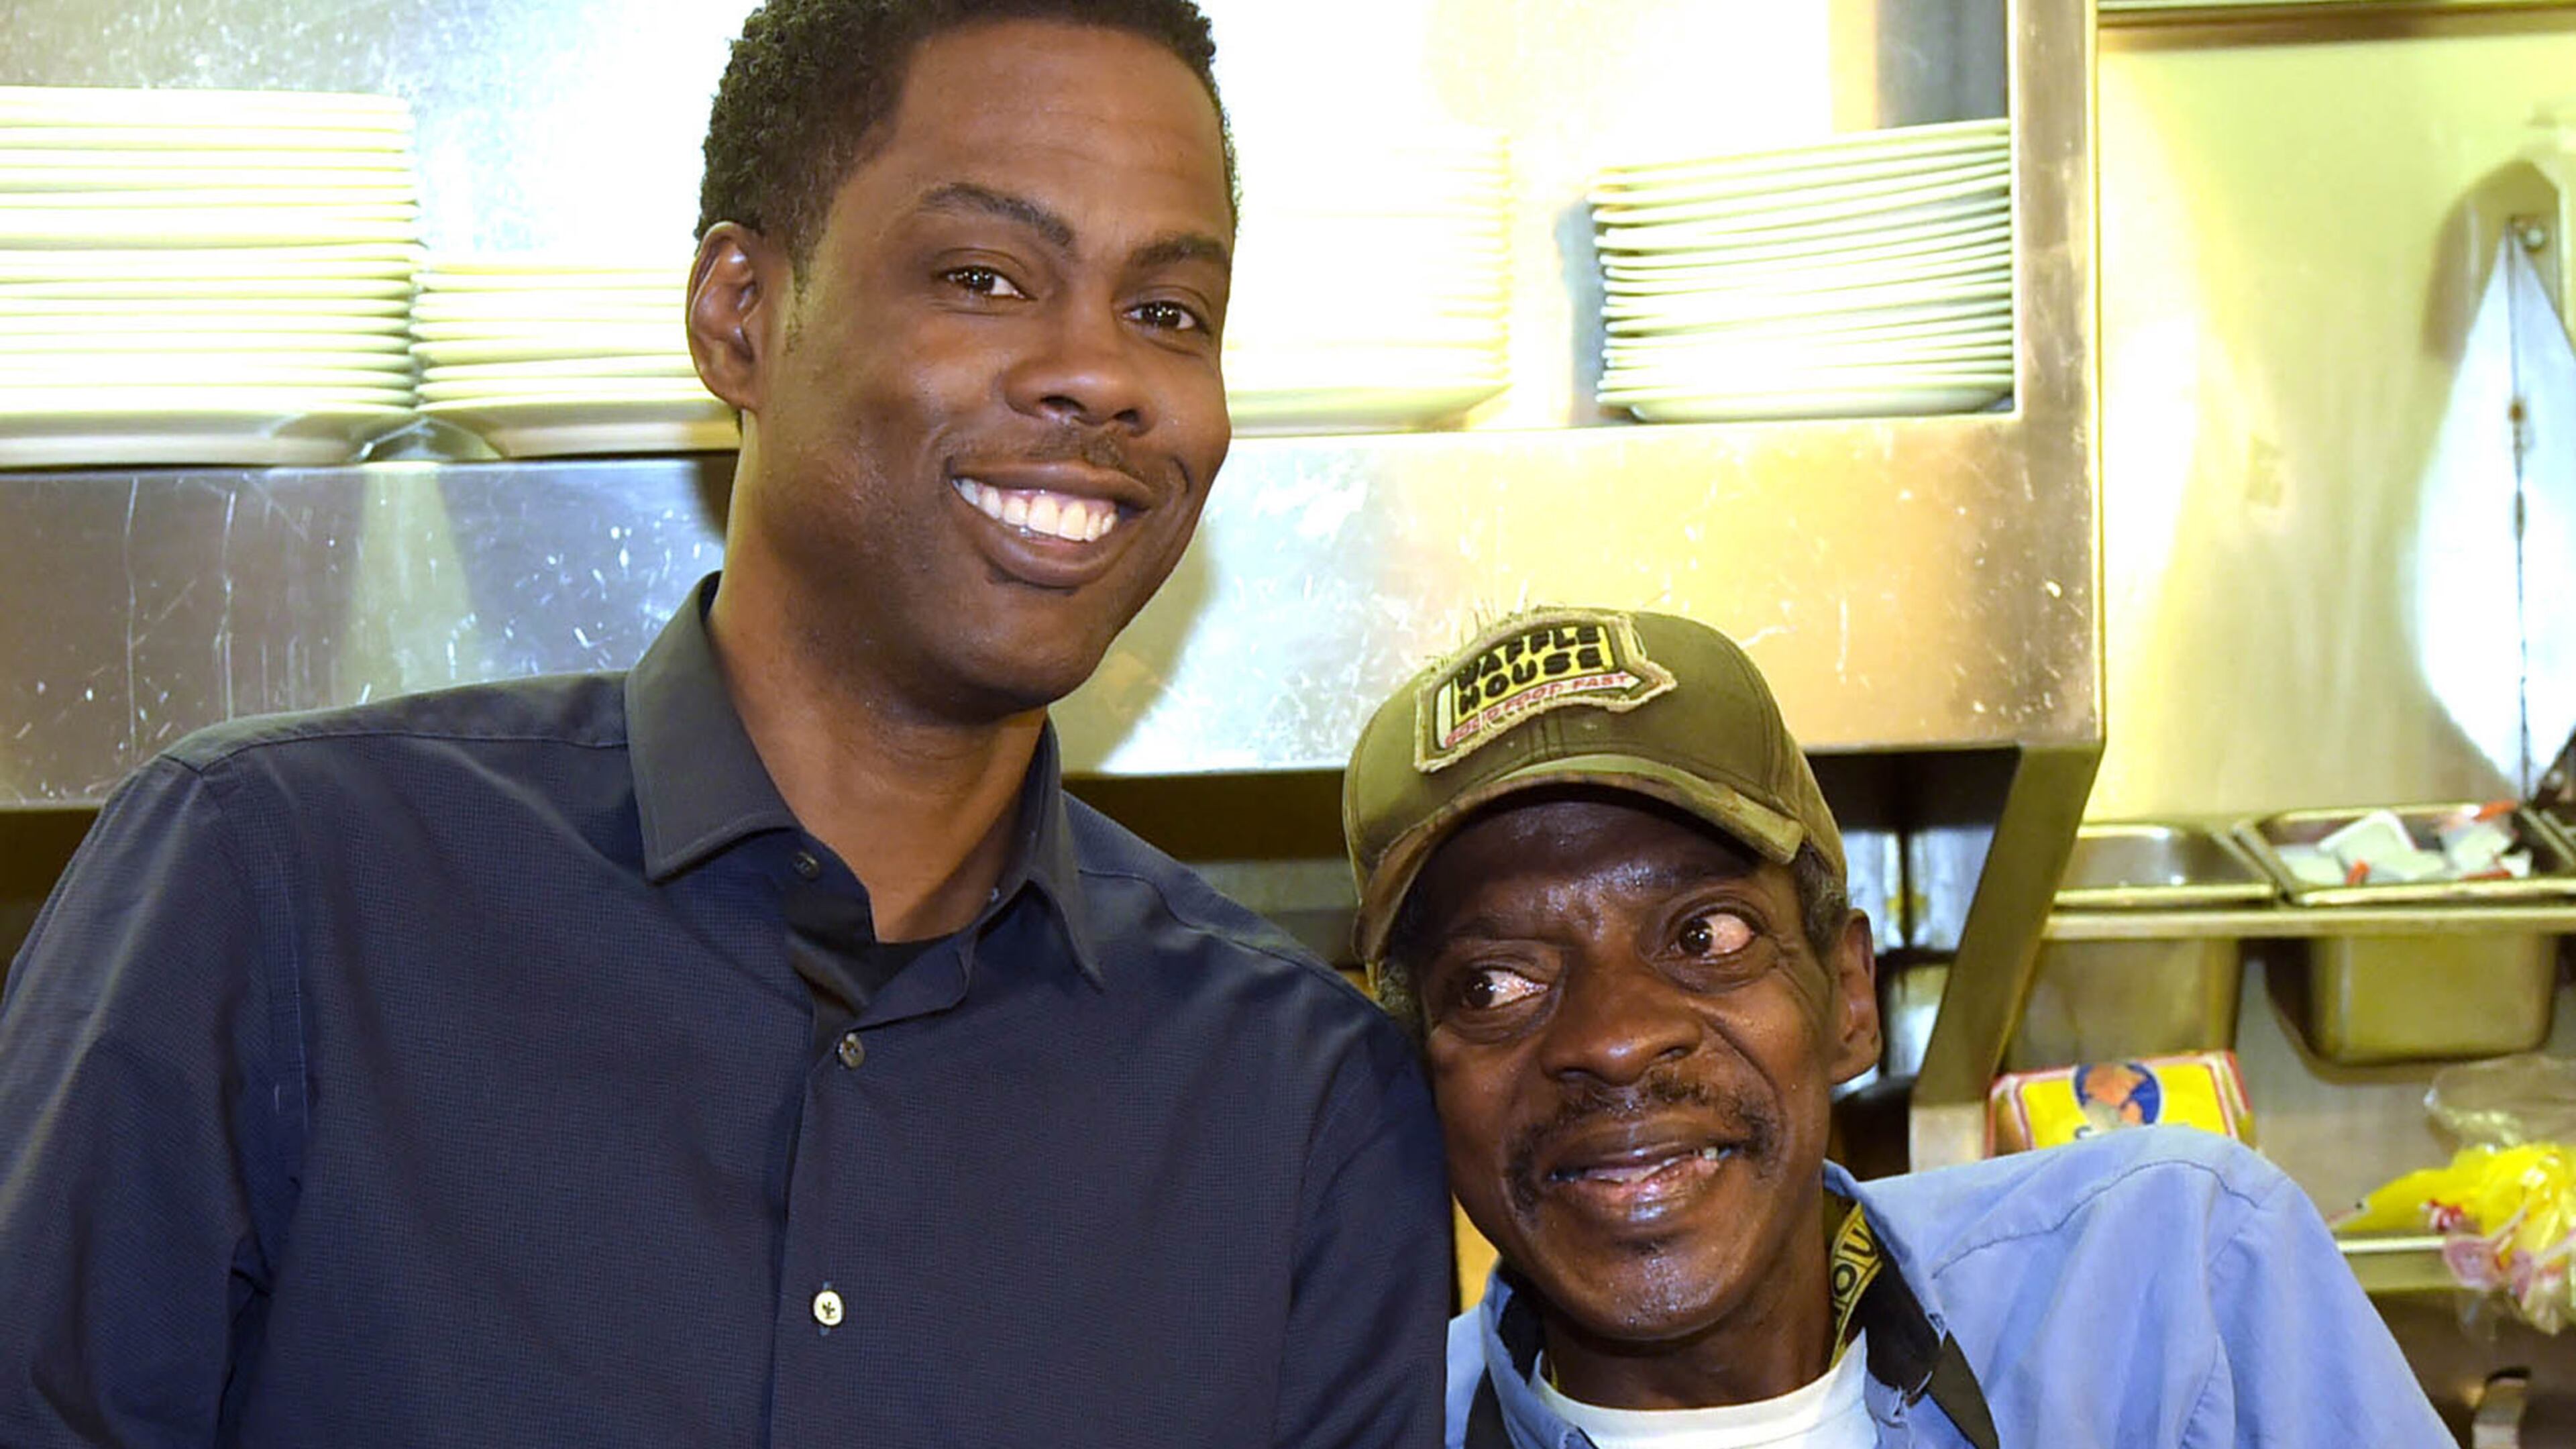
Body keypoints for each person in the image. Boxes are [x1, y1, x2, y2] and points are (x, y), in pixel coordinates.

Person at [0, 3, 1450, 1444]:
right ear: (739, 314)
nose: (1103, 373)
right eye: (985, 275)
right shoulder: (280, 892)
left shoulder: (1302, 1101)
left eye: (1170, 314)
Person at [1340, 605, 2451, 1448]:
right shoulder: (1358, 1428)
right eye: (1494, 986)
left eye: (1707, 935)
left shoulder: (2176, 1287)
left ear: (1849, 997)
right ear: (1415, 1085)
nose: (1617, 1037)